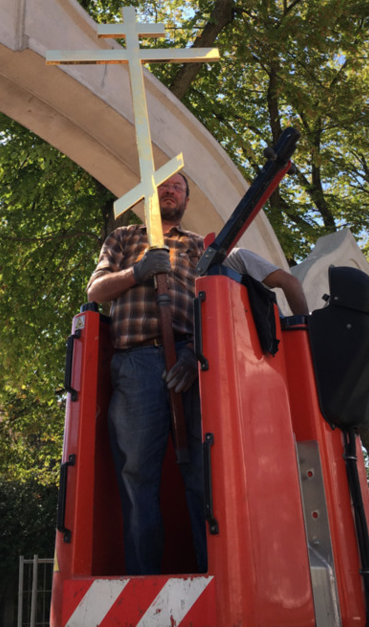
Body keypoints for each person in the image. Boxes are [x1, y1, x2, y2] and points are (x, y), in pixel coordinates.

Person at [86, 172, 308, 575]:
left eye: (178, 187)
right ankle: (144, 580)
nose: (170, 190)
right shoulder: (123, 237)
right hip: (136, 362)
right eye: (163, 185)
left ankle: (213, 573)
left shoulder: (197, 247)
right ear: (147, 196)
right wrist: (137, 272)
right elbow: (95, 291)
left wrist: (194, 355)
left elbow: (214, 305)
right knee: (138, 475)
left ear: (186, 199)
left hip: (192, 361)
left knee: (203, 473)